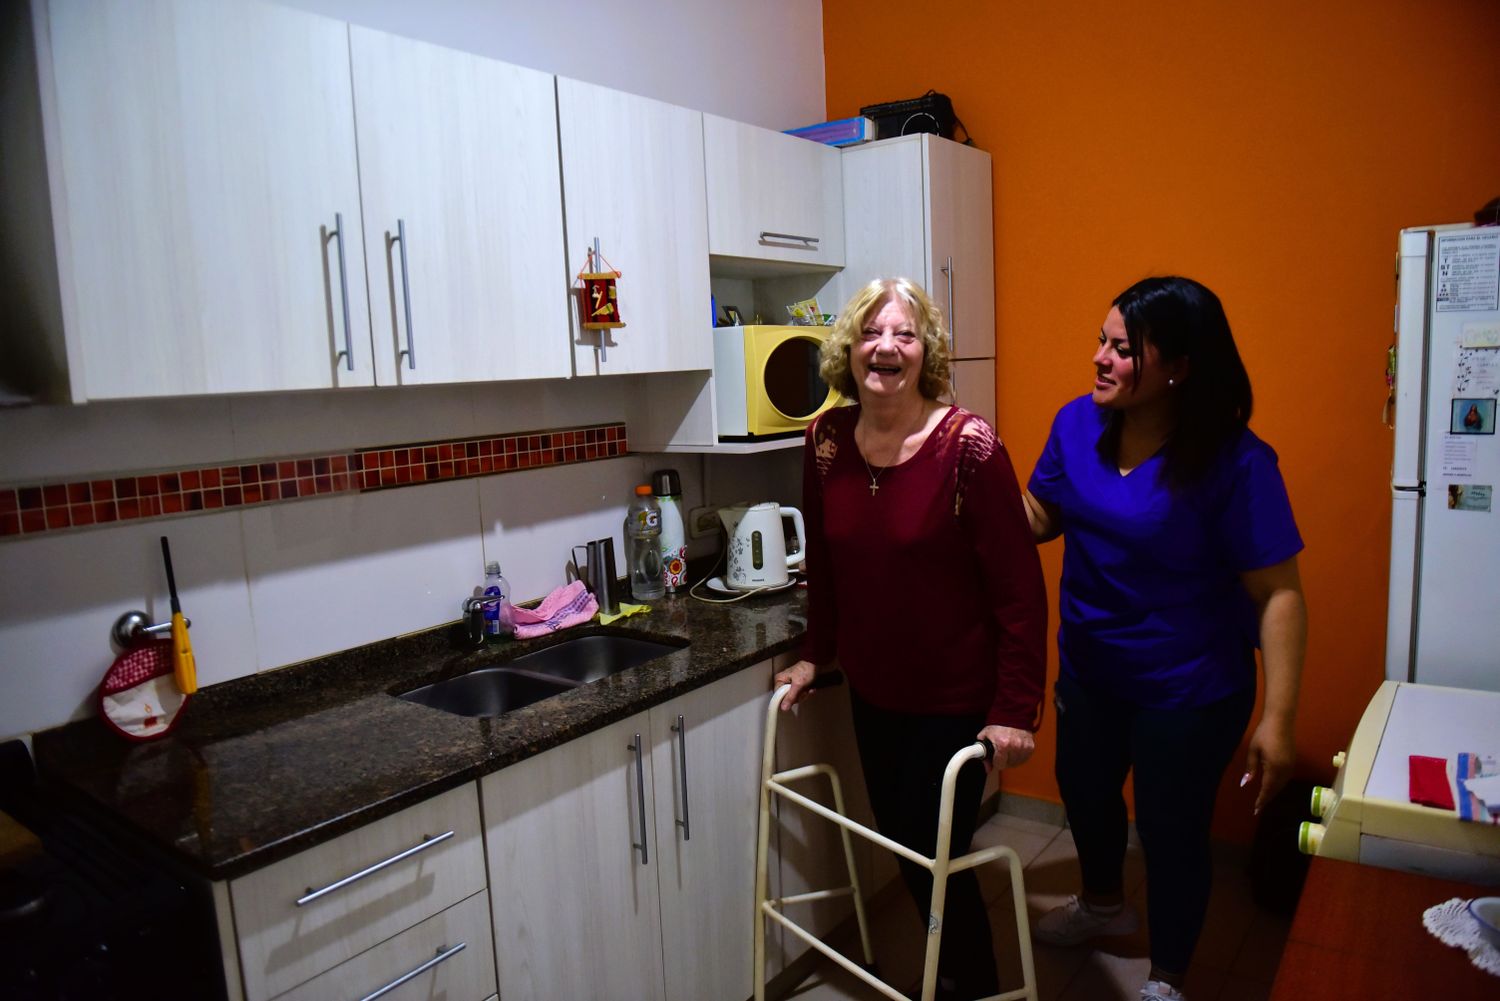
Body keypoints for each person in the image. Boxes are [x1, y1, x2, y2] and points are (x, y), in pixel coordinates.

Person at [1023, 276, 1308, 1001]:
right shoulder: (1075, 424)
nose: (1100, 358)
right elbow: (1042, 515)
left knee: (1170, 827)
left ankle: (1168, 976)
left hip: (1190, 686)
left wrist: (1278, 718)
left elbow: (1277, 593)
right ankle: (1104, 905)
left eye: (1123, 348)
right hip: (1091, 665)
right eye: (1101, 340)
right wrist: (973, 478)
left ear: (1177, 366)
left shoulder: (1236, 462)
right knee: (1084, 791)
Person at [774, 277, 1048, 1001]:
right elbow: (824, 564)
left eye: (903, 334)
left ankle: (974, 981)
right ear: (849, 349)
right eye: (870, 333)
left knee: (938, 852)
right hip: (874, 687)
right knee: (906, 841)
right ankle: (955, 972)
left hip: (954, 695)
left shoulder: (969, 447)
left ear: (925, 352)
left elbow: (1020, 590)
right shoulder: (826, 439)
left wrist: (1015, 708)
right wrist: (813, 654)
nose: (885, 347)